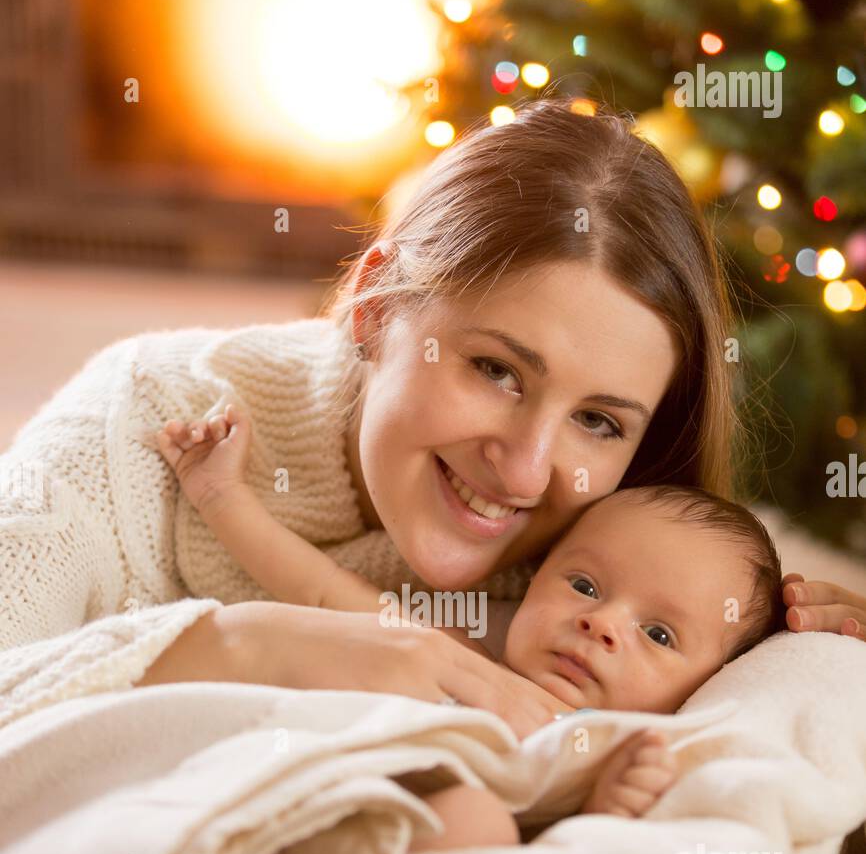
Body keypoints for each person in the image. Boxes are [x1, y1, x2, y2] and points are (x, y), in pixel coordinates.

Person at [1, 102, 862, 737]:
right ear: (375, 309)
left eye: (598, 422)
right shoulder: (139, 423)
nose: (525, 472)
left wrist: (814, 656)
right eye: (497, 370)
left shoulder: (617, 570)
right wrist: (252, 646)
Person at [156, 403, 785, 854]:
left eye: (659, 634)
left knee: (478, 824)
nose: (602, 624)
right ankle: (265, 839)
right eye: (585, 587)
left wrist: (607, 805)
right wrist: (221, 497)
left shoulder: (617, 747)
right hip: (305, 770)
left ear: (712, 684)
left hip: (404, 833)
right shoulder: (454, 646)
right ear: (536, 577)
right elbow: (321, 590)